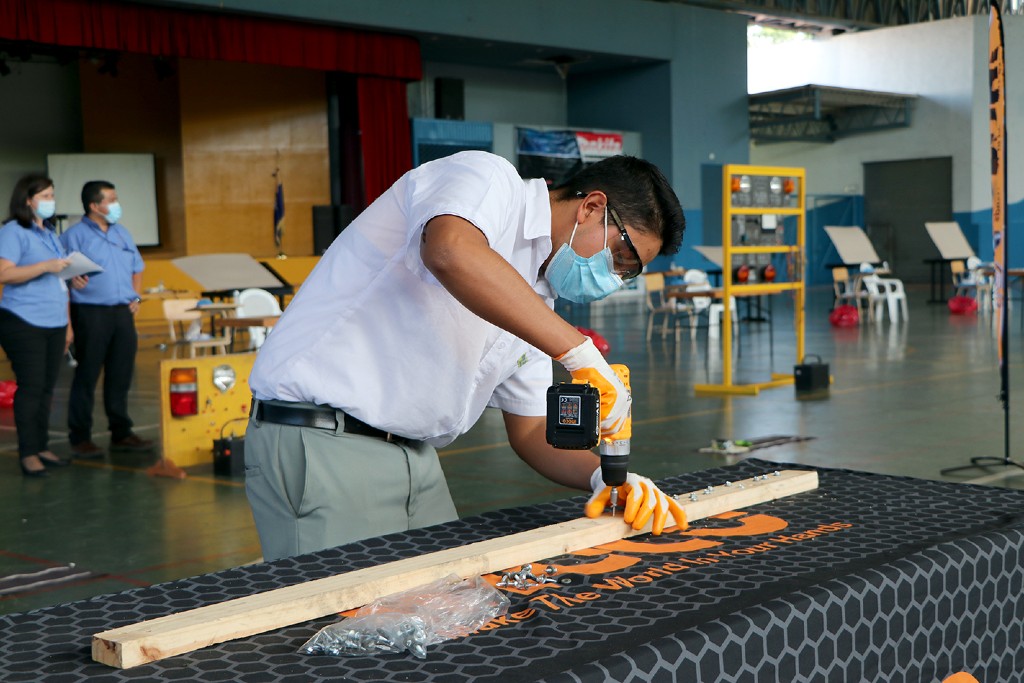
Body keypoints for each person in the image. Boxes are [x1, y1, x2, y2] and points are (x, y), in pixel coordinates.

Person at [247, 151, 687, 561]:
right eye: (622, 257)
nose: (614, 278)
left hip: (416, 456)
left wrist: (607, 479)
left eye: (629, 273)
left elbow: (532, 430)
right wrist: (579, 352)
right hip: (326, 440)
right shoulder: (487, 179)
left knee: (445, 616)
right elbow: (450, 250)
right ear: (591, 207)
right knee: (352, 628)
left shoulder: (535, 296)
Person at [0, 174, 86, 476]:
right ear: (28, 199)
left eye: (52, 195)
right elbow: (5, 274)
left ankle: (41, 446)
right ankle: (28, 453)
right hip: (23, 320)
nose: (51, 201)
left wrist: (68, 324)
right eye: (46, 196)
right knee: (32, 387)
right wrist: (46, 266)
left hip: (54, 320)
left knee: (47, 388)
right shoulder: (13, 231)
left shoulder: (49, 233)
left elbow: (59, 281)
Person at [60, 181, 152, 458]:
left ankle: (121, 432)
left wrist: (135, 296)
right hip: (91, 312)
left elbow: (138, 267)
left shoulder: (122, 232)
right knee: (87, 374)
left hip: (122, 312)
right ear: (94, 206)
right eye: (111, 199)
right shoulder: (74, 236)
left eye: (115, 198)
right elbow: (62, 276)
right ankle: (80, 437)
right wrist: (68, 321)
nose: (116, 204)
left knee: (121, 373)